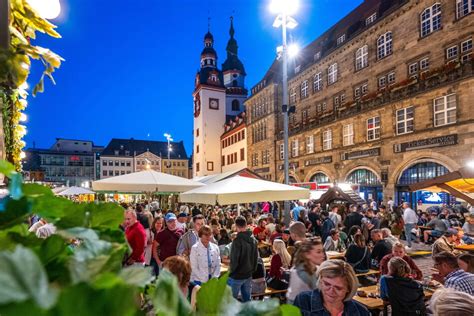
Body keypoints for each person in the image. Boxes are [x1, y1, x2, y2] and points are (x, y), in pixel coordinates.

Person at [294, 260, 369, 315]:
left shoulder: (361, 312)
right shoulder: (303, 301)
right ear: (320, 280)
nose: (331, 291)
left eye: (338, 288)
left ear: (348, 289)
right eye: (327, 284)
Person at [227, 216, 258, 302]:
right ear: (246, 225)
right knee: (247, 301)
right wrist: (252, 270)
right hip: (248, 274)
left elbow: (234, 260)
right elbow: (256, 258)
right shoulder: (253, 239)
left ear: (236, 226)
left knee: (231, 302)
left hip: (237, 276)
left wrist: (231, 272)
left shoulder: (237, 241)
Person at [287, 238, 326, 304]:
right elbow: (321, 295)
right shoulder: (302, 273)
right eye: (318, 252)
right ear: (307, 254)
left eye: (323, 251)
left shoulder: (315, 268)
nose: (323, 255)